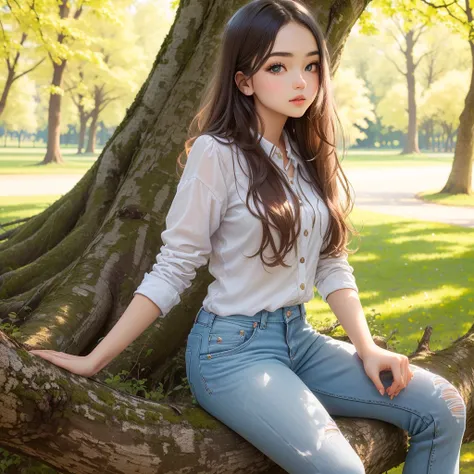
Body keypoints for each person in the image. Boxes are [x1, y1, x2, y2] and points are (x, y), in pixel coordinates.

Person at [30, 1, 466, 473]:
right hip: (230, 353)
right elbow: (175, 266)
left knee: (444, 407)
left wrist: (367, 347)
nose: (301, 81)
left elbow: (330, 262)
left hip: (299, 339)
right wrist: (95, 360)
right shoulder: (216, 154)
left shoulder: (306, 155)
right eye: (278, 66)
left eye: (311, 65)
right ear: (243, 80)